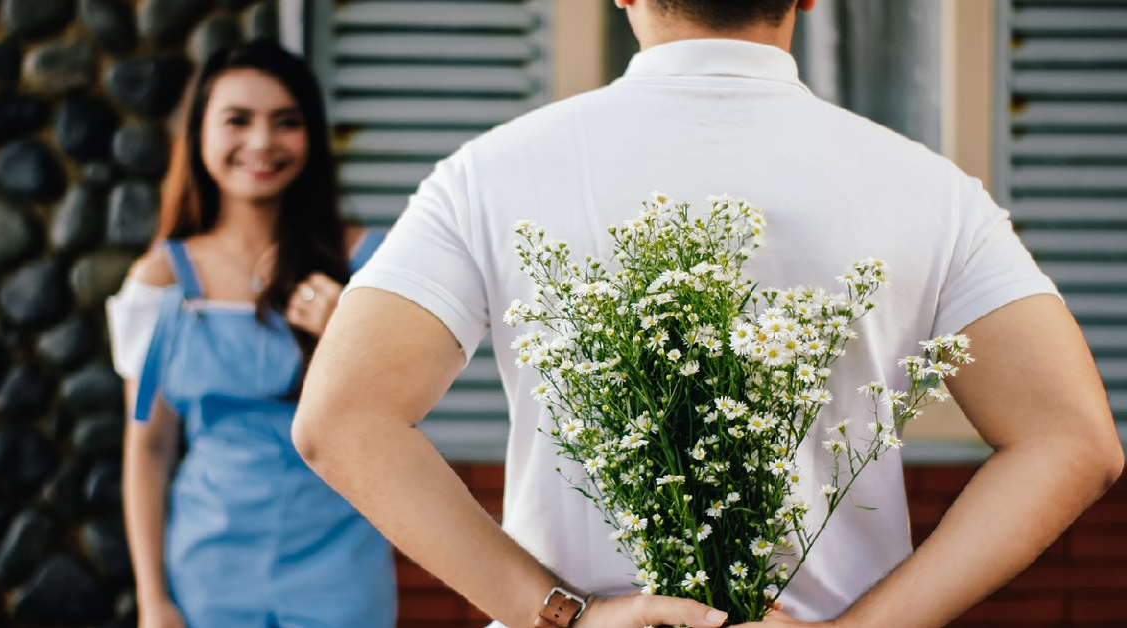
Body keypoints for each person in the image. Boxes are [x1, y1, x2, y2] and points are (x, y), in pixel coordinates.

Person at [290, 1, 1123, 627]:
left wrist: (560, 616)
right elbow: (1074, 441)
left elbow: (342, 420)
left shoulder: (492, 172)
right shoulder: (930, 189)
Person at [107, 41, 395, 628]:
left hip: (342, 566)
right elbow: (149, 446)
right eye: (238, 120)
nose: (262, 142)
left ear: (311, 137)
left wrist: (346, 340)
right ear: (199, 134)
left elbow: (402, 422)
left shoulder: (371, 264)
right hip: (206, 572)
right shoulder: (159, 279)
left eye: (286, 122)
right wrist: (152, 598)